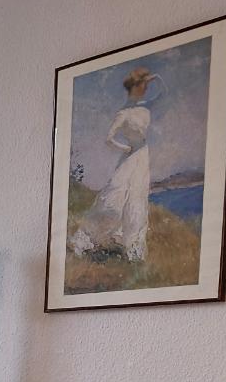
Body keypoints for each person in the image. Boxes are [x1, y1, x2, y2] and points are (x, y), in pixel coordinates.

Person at [69, 66, 165, 263]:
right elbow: (109, 138)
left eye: (147, 84)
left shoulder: (145, 107)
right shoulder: (123, 113)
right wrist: (125, 148)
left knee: (137, 198)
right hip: (130, 156)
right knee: (114, 196)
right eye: (144, 84)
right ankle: (86, 239)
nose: (147, 88)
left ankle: (133, 249)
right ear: (136, 86)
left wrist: (155, 77)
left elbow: (163, 92)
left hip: (143, 157)